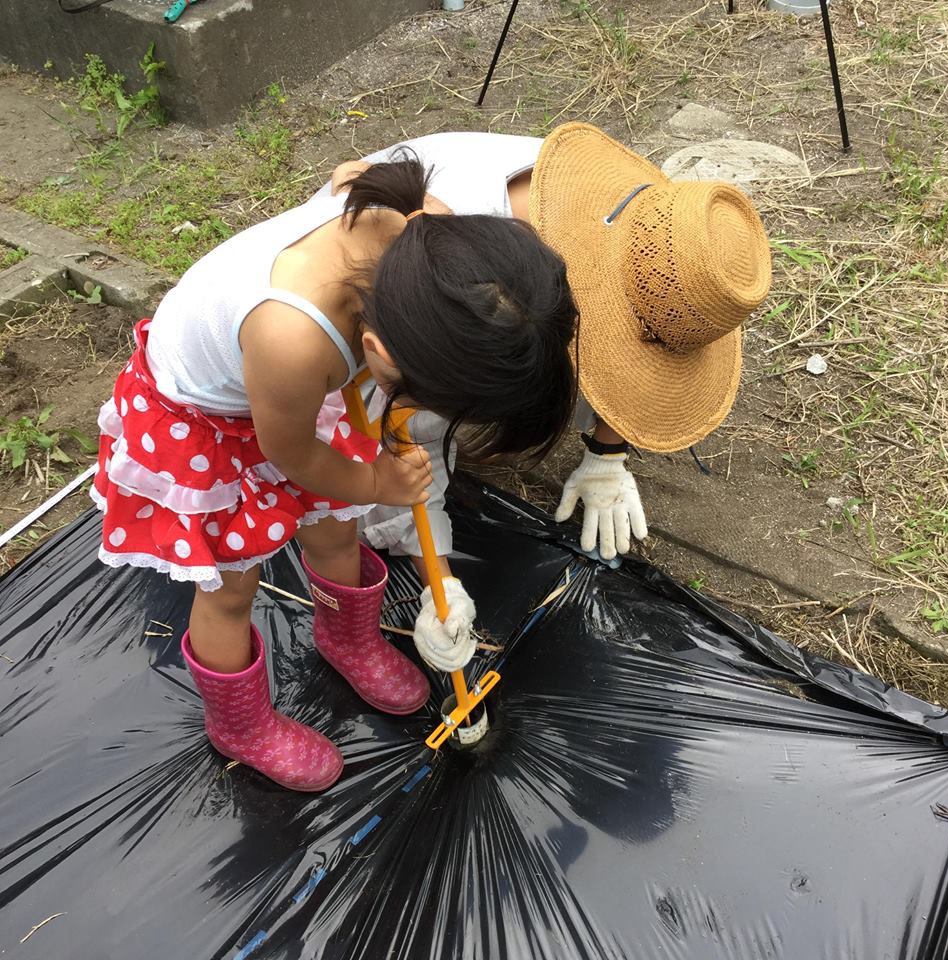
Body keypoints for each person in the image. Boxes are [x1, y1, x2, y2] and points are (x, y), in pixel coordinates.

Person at [90, 153, 578, 792]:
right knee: (231, 587)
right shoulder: (292, 337)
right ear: (374, 353)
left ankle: (346, 639)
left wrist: (368, 480)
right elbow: (293, 456)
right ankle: (240, 725)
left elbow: (352, 171)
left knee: (336, 528)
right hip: (207, 424)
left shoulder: (429, 233)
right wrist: (376, 484)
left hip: (288, 396)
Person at [321, 122, 772, 674]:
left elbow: (634, 359)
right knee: (384, 454)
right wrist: (438, 578)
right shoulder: (446, 291)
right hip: (394, 318)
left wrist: (607, 452)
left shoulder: (660, 238)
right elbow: (406, 447)